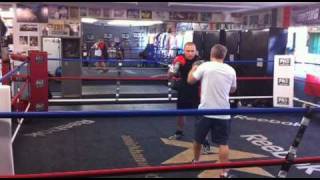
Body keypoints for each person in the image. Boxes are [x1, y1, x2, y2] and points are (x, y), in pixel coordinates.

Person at [187, 44, 237, 178]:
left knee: (198, 139)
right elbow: (233, 89)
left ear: (211, 54)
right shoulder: (231, 70)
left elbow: (190, 80)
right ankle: (224, 172)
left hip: (205, 111)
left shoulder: (205, 66)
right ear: (224, 55)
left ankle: (196, 162)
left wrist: (193, 68)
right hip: (223, 112)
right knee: (223, 143)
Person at [168, 42, 211, 153]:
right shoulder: (179, 59)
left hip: (198, 91)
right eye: (188, 51)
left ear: (195, 51)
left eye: (192, 51)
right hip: (183, 90)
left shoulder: (201, 61)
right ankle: (179, 132)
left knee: (200, 117)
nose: (190, 53)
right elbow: (169, 76)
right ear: (184, 50)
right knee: (181, 113)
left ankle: (205, 141)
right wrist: (174, 67)